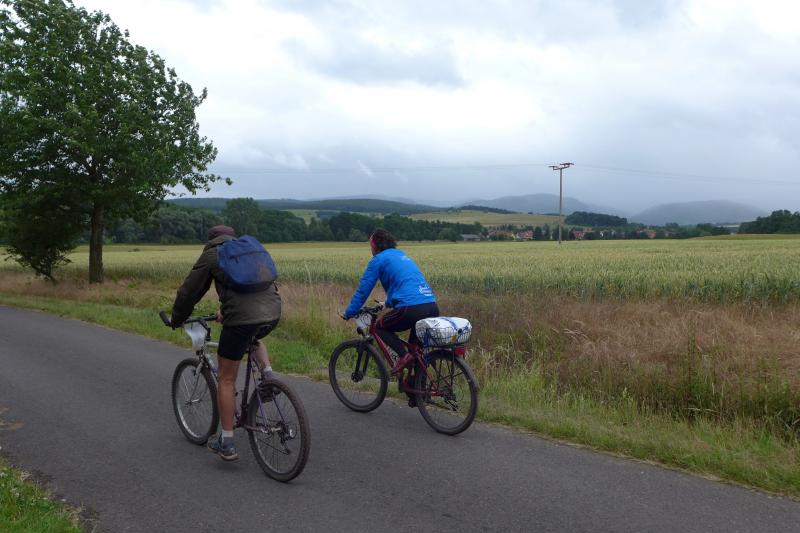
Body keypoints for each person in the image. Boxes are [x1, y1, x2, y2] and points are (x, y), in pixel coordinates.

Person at [170, 225, 281, 461]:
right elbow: (255, 284)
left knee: (226, 379)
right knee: (254, 337)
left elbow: (189, 292)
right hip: (272, 312)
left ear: (211, 240)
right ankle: (268, 377)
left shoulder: (213, 254)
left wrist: (177, 318)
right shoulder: (248, 249)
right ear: (232, 236)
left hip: (241, 319)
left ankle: (227, 442)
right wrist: (226, 309)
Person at [343, 228, 440, 379]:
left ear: (375, 245)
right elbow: (405, 286)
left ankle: (403, 357)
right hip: (431, 306)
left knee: (380, 327)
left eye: (370, 244)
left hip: (411, 308)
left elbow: (363, 290)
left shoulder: (378, 260)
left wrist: (350, 312)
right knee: (416, 352)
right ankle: (417, 389)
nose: (370, 248)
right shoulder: (401, 255)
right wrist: (387, 303)